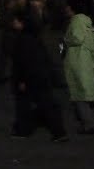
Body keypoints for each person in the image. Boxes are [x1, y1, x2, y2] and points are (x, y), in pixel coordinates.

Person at [9, 13, 68, 142]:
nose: (13, 23)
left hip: (31, 78)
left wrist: (22, 79)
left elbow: (24, 62)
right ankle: (57, 131)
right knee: (46, 104)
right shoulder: (34, 38)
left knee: (26, 105)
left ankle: (24, 130)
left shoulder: (23, 40)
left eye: (16, 21)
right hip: (40, 76)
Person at [62, 0, 94, 134]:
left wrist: (65, 39)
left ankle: (88, 125)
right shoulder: (87, 22)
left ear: (71, 8)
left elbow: (77, 38)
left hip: (79, 60)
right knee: (91, 95)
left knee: (80, 94)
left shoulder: (76, 21)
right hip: (89, 60)